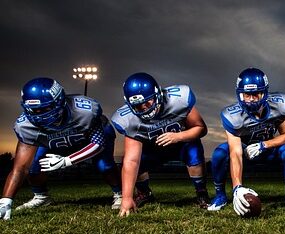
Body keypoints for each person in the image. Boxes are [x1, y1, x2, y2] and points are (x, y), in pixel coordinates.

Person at [0, 78, 122, 220]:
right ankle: (41, 197)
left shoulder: (85, 111)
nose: (39, 115)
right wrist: (5, 201)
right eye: (34, 110)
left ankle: (120, 193)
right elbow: (20, 168)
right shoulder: (25, 126)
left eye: (45, 108)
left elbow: (98, 144)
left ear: (60, 101)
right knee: (34, 165)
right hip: (55, 143)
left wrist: (67, 161)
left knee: (104, 165)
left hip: (89, 138)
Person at [207, 67, 285, 215]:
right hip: (245, 151)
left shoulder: (277, 106)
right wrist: (237, 187)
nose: (251, 99)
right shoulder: (233, 116)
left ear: (264, 93)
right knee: (220, 153)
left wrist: (264, 145)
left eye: (255, 94)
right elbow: (235, 152)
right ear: (240, 94)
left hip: (268, 150)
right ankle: (220, 195)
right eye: (247, 95)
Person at [111, 72, 209, 217]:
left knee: (194, 150)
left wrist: (178, 136)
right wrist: (126, 198)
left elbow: (201, 128)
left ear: (158, 94)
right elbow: (131, 161)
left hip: (181, 144)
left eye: (148, 102)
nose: (145, 108)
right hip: (153, 150)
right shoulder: (127, 119)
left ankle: (201, 192)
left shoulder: (179, 99)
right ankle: (144, 193)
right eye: (138, 106)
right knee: (134, 162)